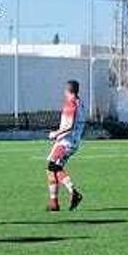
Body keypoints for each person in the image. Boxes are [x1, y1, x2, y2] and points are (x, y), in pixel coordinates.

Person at [45, 80, 86, 212]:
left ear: (67, 91)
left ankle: (73, 192)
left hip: (65, 142)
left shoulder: (71, 103)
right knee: (53, 169)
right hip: (74, 142)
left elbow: (69, 126)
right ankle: (54, 203)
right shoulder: (81, 104)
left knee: (52, 167)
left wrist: (55, 133)